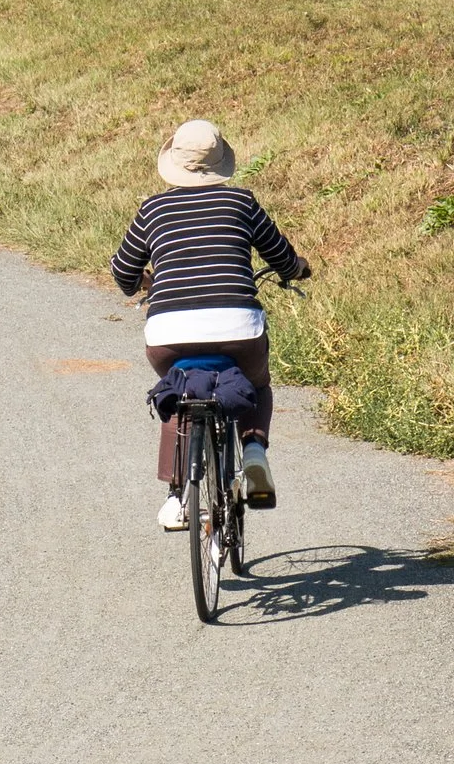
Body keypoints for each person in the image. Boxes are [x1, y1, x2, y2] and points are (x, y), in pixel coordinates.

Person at [110, 119, 311, 531]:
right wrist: (298, 269)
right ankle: (254, 453)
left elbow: (122, 270)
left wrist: (140, 282)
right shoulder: (242, 203)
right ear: (220, 161)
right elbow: (282, 258)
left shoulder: (153, 209)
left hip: (169, 335)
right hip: (239, 328)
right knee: (257, 386)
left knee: (178, 392)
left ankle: (176, 498)